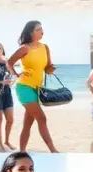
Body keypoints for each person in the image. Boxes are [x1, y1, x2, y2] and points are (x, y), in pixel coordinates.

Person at [7, 20, 57, 153]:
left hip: (37, 89)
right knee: (42, 118)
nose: (42, 32)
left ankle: (21, 151)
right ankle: (53, 150)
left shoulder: (45, 47)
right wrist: (16, 74)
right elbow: (9, 63)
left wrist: (51, 69)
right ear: (30, 32)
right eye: (38, 29)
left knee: (27, 124)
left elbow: (47, 68)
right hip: (24, 87)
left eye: (42, 29)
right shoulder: (25, 48)